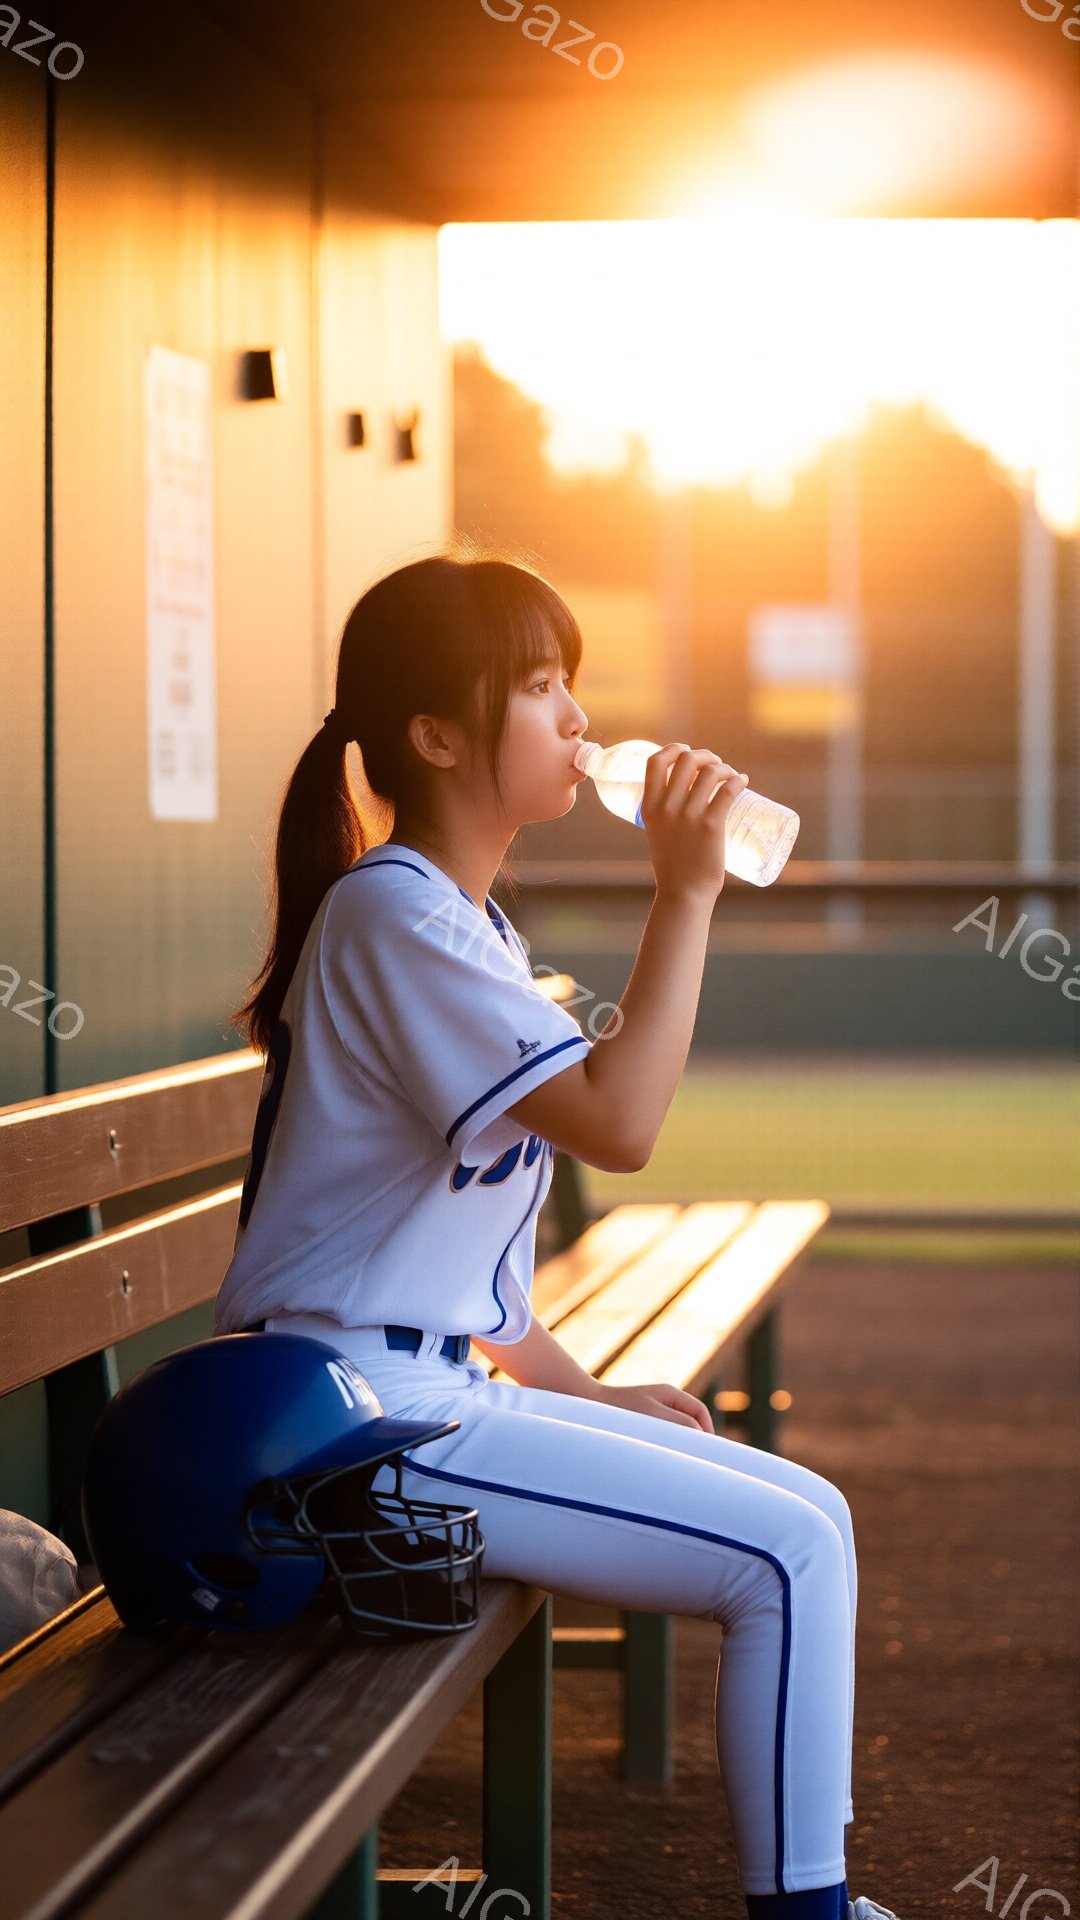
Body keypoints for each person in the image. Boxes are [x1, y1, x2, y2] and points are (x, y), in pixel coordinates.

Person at [214, 545, 895, 1920]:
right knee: (787, 1557)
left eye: (569, 682)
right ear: (435, 735)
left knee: (814, 1514)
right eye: (537, 685)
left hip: (405, 1395)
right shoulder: (394, 911)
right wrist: (685, 891)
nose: (578, 717)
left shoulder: (454, 918)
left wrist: (584, 1394)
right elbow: (621, 1124)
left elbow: (455, 1261)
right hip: (344, 1434)